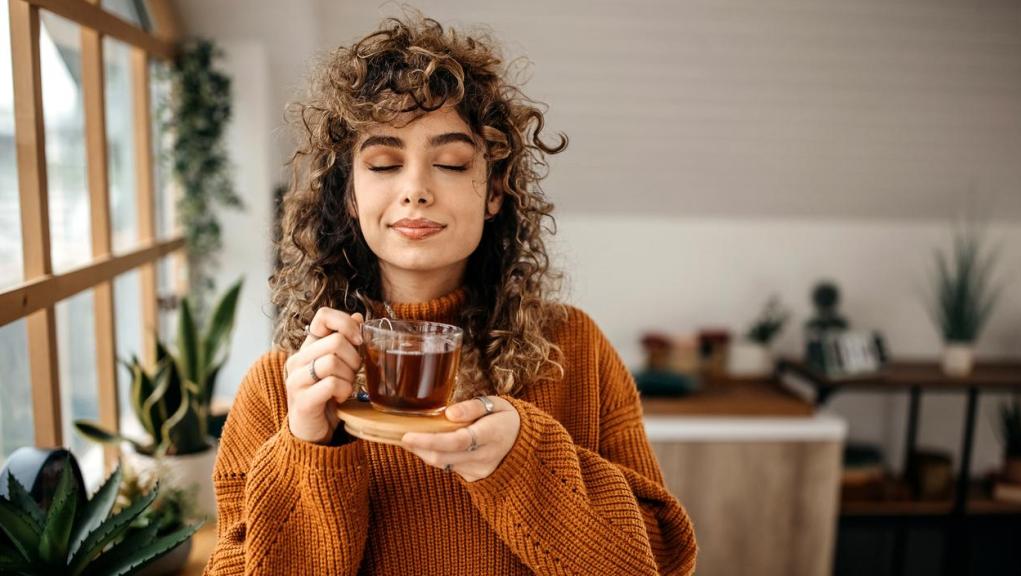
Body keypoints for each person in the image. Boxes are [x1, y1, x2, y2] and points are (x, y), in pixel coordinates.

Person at [204, 14, 697, 576]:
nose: (416, 189)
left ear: (493, 191)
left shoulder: (574, 351)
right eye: (385, 163)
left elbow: (659, 562)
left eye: (451, 163)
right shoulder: (282, 389)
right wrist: (307, 449)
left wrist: (525, 463)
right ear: (348, 196)